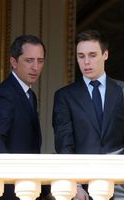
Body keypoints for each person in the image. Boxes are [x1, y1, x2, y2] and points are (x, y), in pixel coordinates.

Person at [52, 29, 124, 200]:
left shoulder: (122, 91)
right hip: (83, 187)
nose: (86, 62)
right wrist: (74, 184)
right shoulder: (64, 96)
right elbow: (64, 143)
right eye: (81, 56)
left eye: (92, 55)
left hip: (120, 184)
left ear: (105, 54)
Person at [0, 34, 52, 200]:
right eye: (29, 60)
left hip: (27, 188)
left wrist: (44, 189)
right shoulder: (5, 94)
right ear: (14, 62)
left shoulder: (30, 94)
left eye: (40, 61)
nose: (35, 67)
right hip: (12, 191)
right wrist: (12, 180)